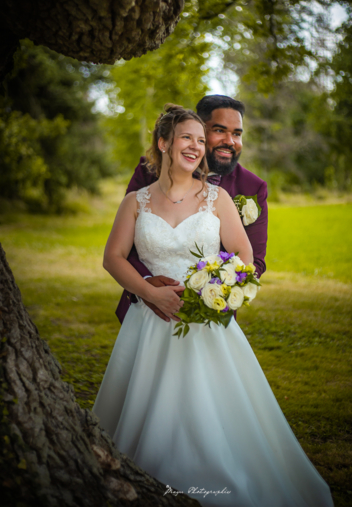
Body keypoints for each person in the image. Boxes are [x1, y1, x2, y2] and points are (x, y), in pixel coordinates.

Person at [93, 104, 334, 506]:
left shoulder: (217, 198)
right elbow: (113, 257)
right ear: (164, 143)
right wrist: (148, 292)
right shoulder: (136, 201)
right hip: (147, 324)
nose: (196, 146)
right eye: (187, 137)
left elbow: (242, 255)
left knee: (212, 414)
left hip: (204, 325)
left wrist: (210, 290)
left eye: (200, 140)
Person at [115, 95, 268, 326]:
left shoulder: (251, 187)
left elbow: (253, 259)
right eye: (219, 130)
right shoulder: (149, 170)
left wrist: (211, 294)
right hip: (146, 308)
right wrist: (148, 287)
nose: (230, 141)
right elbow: (128, 243)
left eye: (237, 133)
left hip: (209, 315)